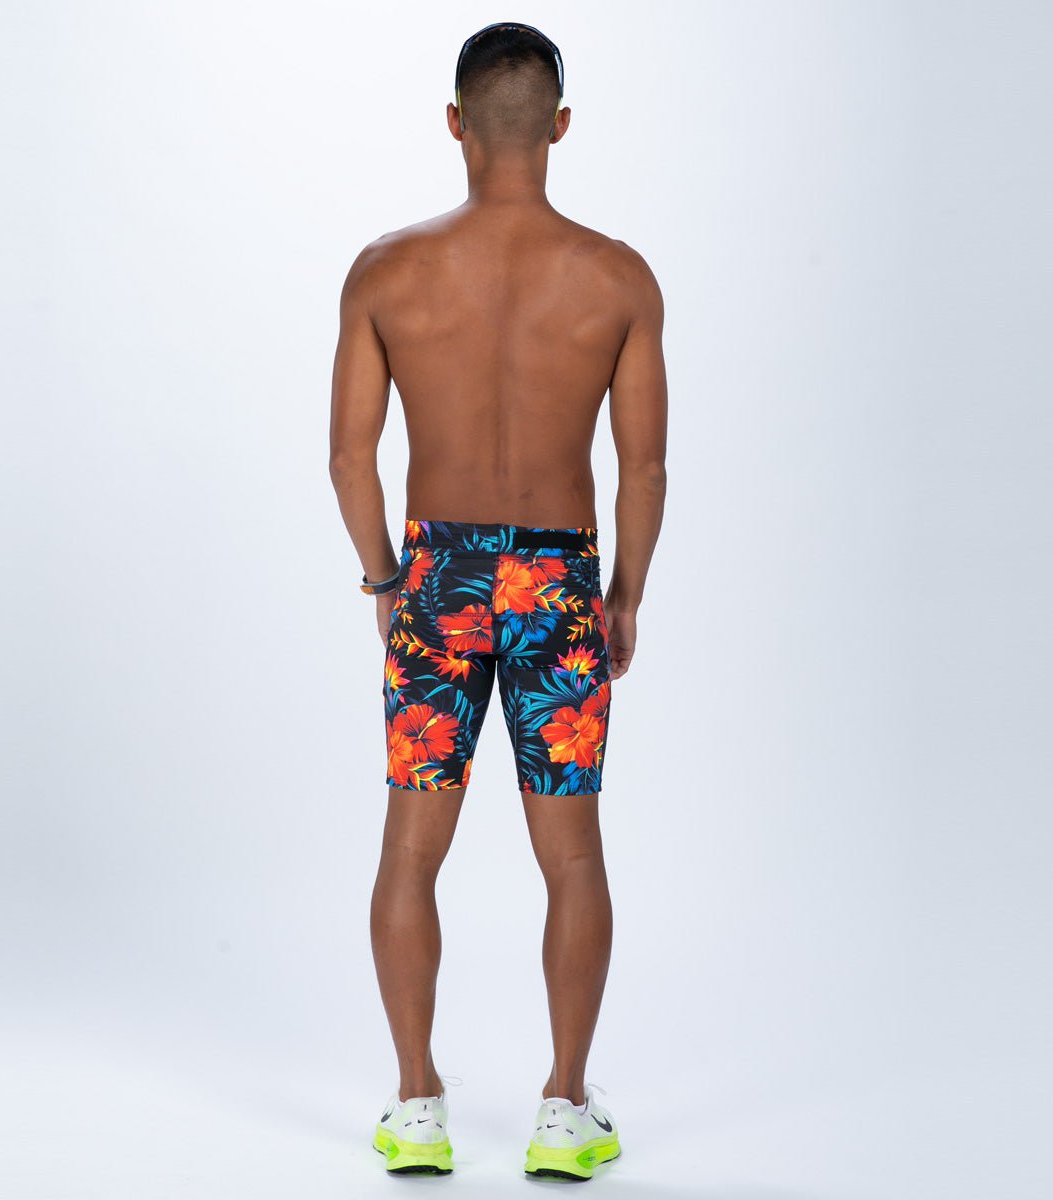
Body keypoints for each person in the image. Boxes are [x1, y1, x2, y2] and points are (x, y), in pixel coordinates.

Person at [328, 21, 668, 1182]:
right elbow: (645, 470)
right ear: (559, 127)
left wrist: (388, 579)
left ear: (455, 123)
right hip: (560, 579)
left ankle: (416, 1105)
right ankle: (565, 1111)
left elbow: (348, 459)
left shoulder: (386, 272)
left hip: (440, 579)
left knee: (411, 847)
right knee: (571, 856)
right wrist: (623, 596)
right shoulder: (618, 278)